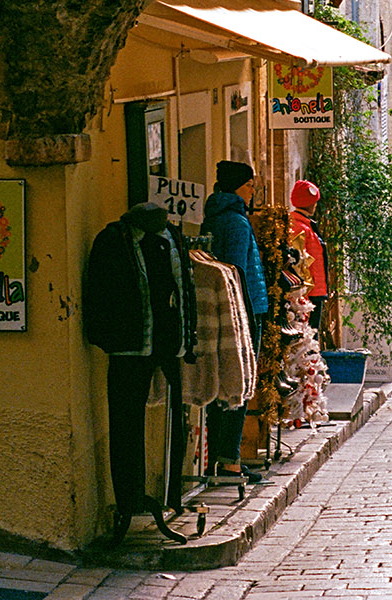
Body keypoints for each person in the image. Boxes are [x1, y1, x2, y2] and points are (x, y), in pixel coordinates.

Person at [84, 201, 196, 543]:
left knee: (177, 420)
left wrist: (188, 340)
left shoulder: (170, 238)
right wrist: (105, 337)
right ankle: (128, 500)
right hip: (128, 347)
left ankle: (170, 496)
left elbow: (184, 289)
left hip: (167, 344)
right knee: (124, 423)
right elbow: (98, 292)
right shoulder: (113, 240)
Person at [202, 160, 267, 481]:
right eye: (250, 184)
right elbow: (237, 272)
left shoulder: (213, 216)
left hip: (222, 310)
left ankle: (216, 456)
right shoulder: (238, 223)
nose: (253, 190)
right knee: (239, 384)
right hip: (243, 311)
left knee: (219, 383)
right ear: (238, 187)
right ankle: (229, 460)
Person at [288, 179, 329, 331]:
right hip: (309, 293)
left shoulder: (303, 225)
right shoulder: (301, 227)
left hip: (313, 291)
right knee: (309, 336)